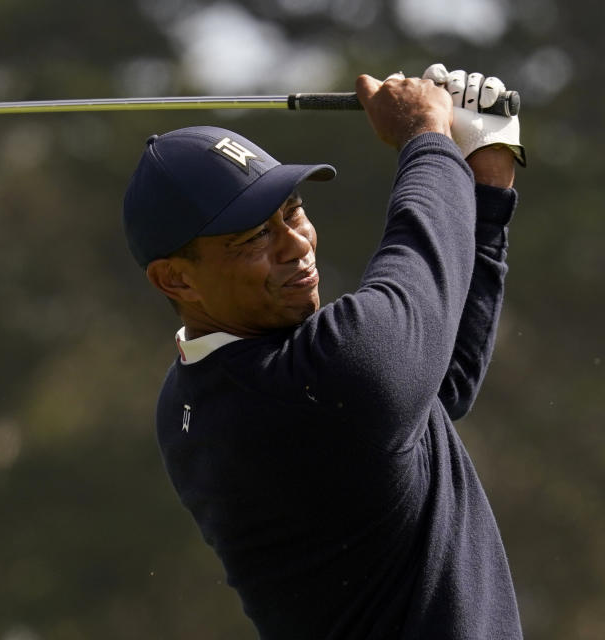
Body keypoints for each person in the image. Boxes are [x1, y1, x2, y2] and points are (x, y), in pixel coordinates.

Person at [122, 64, 525, 639]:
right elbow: (408, 292)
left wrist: (485, 181)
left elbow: (439, 385)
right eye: (254, 237)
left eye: (292, 211)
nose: (296, 245)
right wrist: (426, 138)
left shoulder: (190, 395)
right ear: (175, 280)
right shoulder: (319, 380)